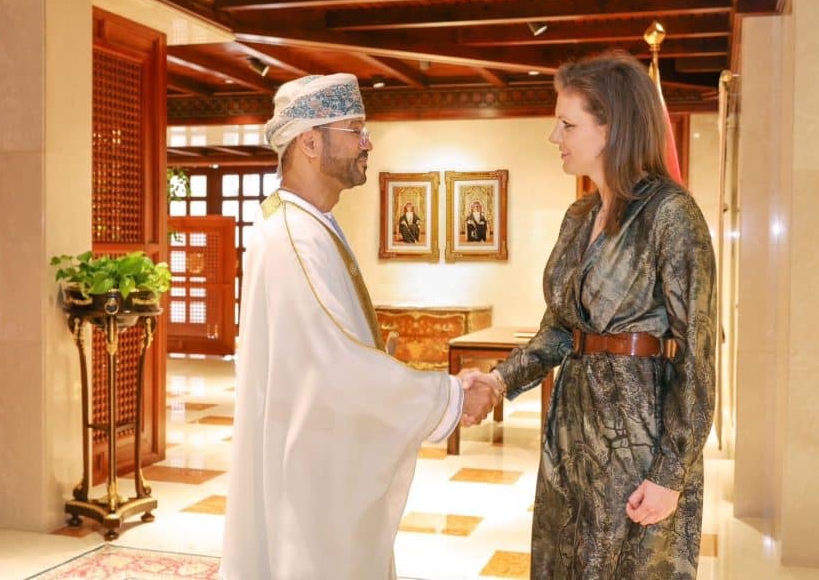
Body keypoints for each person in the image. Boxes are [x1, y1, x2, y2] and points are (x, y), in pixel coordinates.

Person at [220, 73, 498, 580]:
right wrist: (449, 396)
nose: (367, 143)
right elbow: (337, 366)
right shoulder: (292, 235)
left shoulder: (308, 222)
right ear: (310, 142)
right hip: (311, 474)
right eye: (355, 130)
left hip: (317, 455)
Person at [467, 52, 716, 578]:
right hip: (571, 433)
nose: (553, 136)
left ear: (612, 128)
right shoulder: (579, 215)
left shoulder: (671, 215)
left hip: (639, 439)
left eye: (567, 123)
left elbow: (698, 355)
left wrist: (671, 473)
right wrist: (498, 380)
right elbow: (560, 331)